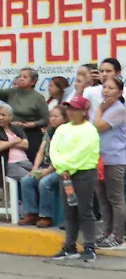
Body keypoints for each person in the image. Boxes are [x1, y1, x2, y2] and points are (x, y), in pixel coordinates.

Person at [48, 95, 101, 262]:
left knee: (85, 210)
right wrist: (61, 168)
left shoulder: (90, 130)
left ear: (84, 111)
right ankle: (69, 246)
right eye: (70, 108)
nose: (71, 112)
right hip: (65, 175)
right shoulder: (62, 129)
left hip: (83, 174)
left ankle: (89, 246)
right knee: (69, 210)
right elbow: (54, 150)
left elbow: (82, 153)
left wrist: (66, 167)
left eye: (75, 109)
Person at [92, 76, 126, 250]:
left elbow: (98, 126)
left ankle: (118, 235)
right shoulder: (105, 108)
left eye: (111, 88)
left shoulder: (118, 109)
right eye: (104, 87)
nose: (106, 91)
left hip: (115, 159)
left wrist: (99, 109)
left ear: (120, 92)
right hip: (101, 159)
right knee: (103, 198)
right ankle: (107, 232)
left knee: (115, 198)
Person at [20, 107, 68, 228]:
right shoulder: (49, 132)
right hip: (45, 166)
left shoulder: (66, 132)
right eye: (51, 116)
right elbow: (41, 152)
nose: (52, 119)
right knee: (27, 180)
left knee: (45, 182)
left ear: (65, 118)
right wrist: (35, 168)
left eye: (56, 116)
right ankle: (32, 213)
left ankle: (46, 216)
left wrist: (48, 170)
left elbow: (62, 156)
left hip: (59, 169)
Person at [0, 68, 49, 162]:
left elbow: (45, 120)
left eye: (25, 77)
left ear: (33, 81)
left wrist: (27, 125)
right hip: (12, 133)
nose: (21, 79)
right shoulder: (12, 92)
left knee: (30, 163)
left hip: (31, 135)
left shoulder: (38, 98)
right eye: (20, 76)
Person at [0, 104, 33, 181]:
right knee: (30, 179)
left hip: (25, 162)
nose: (0, 117)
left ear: (11, 117)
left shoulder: (17, 128)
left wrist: (4, 143)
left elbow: (26, 144)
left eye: (3, 115)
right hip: (10, 165)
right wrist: (14, 141)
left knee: (41, 176)